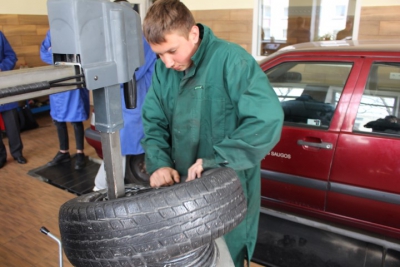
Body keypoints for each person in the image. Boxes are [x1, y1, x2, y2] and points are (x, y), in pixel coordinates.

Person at [140, 1, 284, 266]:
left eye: (172, 51)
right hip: (180, 191)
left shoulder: (232, 60)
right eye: (159, 54)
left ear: (193, 34)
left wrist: (216, 160)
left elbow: (266, 120)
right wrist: (159, 164)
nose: (167, 62)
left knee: (225, 256)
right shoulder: (163, 71)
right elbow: (153, 121)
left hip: (227, 188)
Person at [93, 0, 157, 190]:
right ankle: (101, 190)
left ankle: (100, 191)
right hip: (123, 108)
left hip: (134, 108)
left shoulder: (139, 43)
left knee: (118, 156)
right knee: (118, 156)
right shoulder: (113, 42)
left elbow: (126, 75)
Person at [40, 30, 90, 170]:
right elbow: (43, 53)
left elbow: (81, 57)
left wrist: (56, 55)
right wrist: (66, 58)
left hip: (73, 80)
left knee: (76, 119)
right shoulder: (52, 32)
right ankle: (64, 152)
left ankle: (80, 153)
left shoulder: (77, 31)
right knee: (58, 119)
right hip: (58, 81)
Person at [0, 31, 27, 169]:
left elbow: (11, 56)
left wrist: (2, 67)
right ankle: (0, 157)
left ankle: (17, 153)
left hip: (3, 85)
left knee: (12, 124)